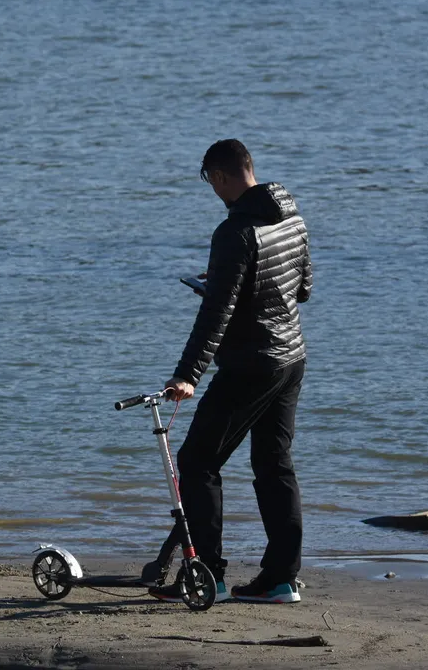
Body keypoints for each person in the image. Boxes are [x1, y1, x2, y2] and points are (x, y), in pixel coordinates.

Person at [150, 139, 312, 605]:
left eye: (211, 182)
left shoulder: (234, 233)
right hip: (292, 358)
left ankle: (209, 577)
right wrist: (242, 291)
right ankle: (281, 580)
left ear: (219, 176)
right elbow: (302, 288)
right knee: (273, 465)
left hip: (251, 365)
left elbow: (216, 315)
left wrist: (188, 375)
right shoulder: (293, 217)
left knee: (197, 463)